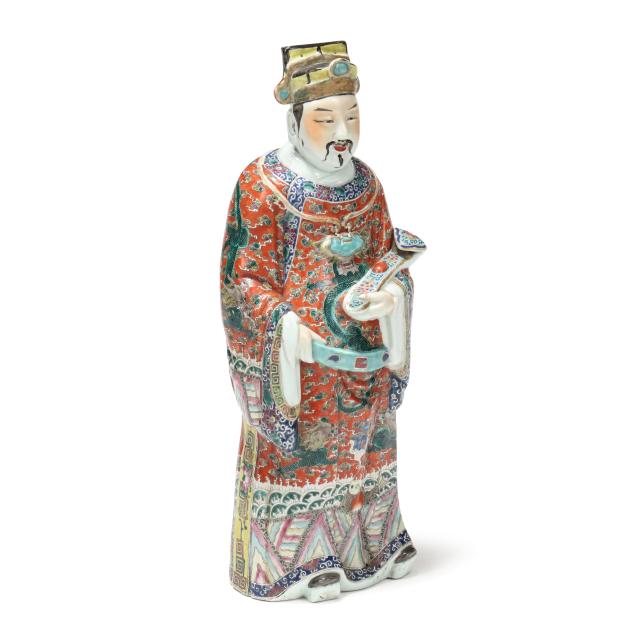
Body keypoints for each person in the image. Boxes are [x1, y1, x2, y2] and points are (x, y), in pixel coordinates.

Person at [220, 40, 425, 602]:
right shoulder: (262, 186)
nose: (343, 133)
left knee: (369, 457)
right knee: (303, 460)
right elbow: (243, 280)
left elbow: (386, 258)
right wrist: (286, 328)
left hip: (365, 364)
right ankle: (301, 560)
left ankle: (373, 547)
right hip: (304, 368)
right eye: (326, 119)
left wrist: (392, 299)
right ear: (294, 122)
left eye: (352, 117)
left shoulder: (368, 185)